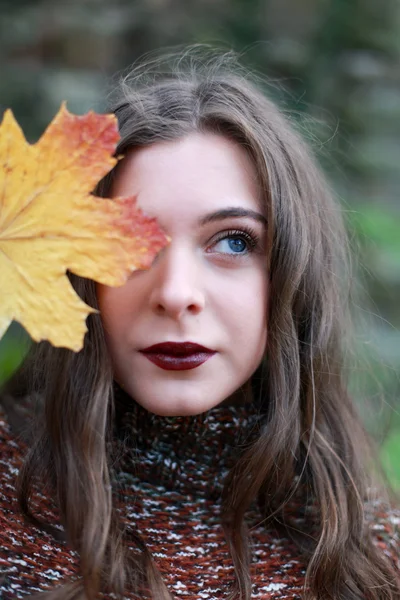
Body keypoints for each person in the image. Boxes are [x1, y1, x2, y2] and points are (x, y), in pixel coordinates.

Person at [0, 47, 399, 600]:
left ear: (292, 273)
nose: (176, 294)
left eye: (233, 241)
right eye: (130, 243)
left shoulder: (371, 545)